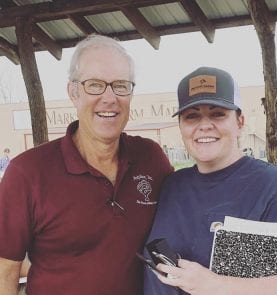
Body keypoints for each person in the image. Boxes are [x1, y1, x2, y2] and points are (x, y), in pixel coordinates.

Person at [0, 34, 173, 295]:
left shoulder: (151, 159)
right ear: (73, 92)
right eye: (95, 85)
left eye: (121, 85)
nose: (109, 97)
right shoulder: (27, 173)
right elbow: (5, 270)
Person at [144, 67, 277, 294]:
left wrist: (216, 284)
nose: (204, 125)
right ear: (181, 127)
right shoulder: (171, 185)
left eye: (218, 113)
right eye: (192, 116)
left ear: (239, 122)